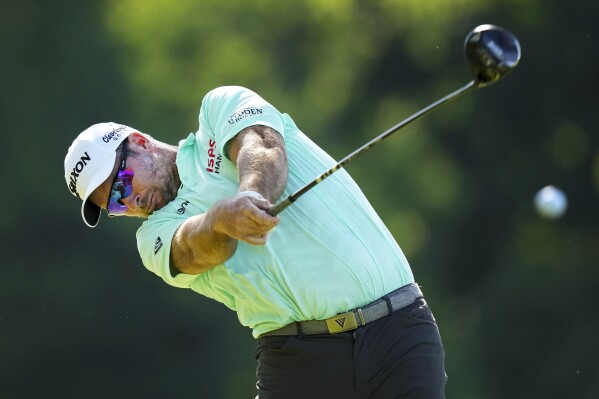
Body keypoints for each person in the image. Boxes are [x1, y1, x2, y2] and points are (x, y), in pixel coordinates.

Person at [64, 86, 447, 398]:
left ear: (140, 142)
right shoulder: (151, 238)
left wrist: (250, 194)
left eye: (122, 182)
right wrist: (220, 220)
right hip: (298, 362)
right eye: (113, 203)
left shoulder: (218, 109)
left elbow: (262, 145)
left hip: (397, 332)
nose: (129, 201)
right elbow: (194, 249)